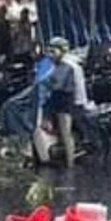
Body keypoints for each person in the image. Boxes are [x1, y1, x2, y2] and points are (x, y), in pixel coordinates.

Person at [36, 37, 79, 167]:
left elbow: (58, 85)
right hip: (50, 101)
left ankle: (70, 162)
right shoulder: (48, 66)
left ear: (62, 51)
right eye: (49, 51)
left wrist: (46, 83)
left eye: (54, 51)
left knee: (65, 132)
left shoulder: (67, 68)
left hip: (63, 102)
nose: (51, 54)